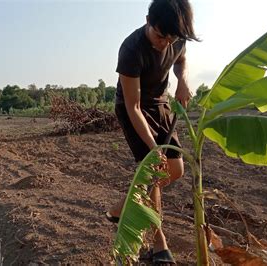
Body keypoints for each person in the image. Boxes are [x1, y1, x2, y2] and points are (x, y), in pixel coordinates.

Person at [105, 0, 199, 264]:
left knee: (176, 170)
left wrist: (183, 81)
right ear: (148, 20)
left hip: (161, 104)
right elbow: (133, 106)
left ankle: (123, 207)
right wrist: (153, 147)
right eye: (160, 36)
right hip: (133, 108)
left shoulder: (175, 36)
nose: (165, 44)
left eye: (171, 38)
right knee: (154, 172)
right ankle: (159, 246)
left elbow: (181, 60)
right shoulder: (131, 49)